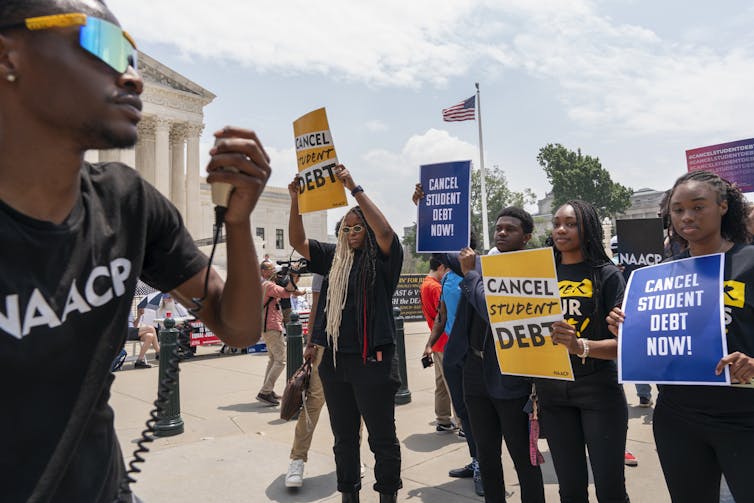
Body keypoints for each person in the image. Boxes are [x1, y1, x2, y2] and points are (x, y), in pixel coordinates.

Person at [0, 1, 271, 501]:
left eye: (131, 56)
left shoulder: (127, 204)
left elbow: (237, 327)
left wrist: (237, 223)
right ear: (9, 56)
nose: (133, 77)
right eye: (100, 45)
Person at [608, 170, 754, 503]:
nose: (687, 216)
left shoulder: (750, 262)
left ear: (723, 206)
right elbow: (653, 342)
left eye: (698, 206)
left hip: (745, 416)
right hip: (678, 418)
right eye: (678, 209)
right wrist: (627, 329)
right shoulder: (658, 275)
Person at [288, 165, 403, 503]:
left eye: (358, 227)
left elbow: (386, 232)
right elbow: (297, 241)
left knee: (382, 438)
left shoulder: (383, 261)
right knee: (344, 438)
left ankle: (387, 496)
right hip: (336, 364)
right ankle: (349, 494)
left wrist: (354, 187)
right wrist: (295, 200)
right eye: (346, 228)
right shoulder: (333, 258)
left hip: (373, 363)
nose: (352, 232)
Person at [537, 200, 630, 503]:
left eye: (571, 223)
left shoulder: (607, 275)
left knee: (609, 487)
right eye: (557, 223)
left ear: (587, 229)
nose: (561, 229)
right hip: (552, 393)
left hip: (597, 392)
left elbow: (622, 345)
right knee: (570, 488)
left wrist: (579, 346)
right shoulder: (537, 276)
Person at [456, 207, 546, 503]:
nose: (502, 233)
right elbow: (446, 248)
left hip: (511, 375)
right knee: (487, 455)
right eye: (499, 228)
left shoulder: (530, 271)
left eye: (510, 229)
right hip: (475, 370)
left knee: (523, 456)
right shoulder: (480, 265)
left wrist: (471, 276)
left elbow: (493, 312)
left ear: (527, 237)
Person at [412, 183, 481, 495]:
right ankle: (476, 460)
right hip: (452, 353)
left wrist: (426, 214)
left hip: (477, 354)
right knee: (464, 412)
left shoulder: (479, 268)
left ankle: (485, 467)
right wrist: (429, 344)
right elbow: (440, 315)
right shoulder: (450, 275)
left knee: (478, 413)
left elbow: (442, 249)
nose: (453, 253)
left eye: (459, 246)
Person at [286, 273, 324, 487]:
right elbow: (316, 307)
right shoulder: (325, 264)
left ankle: (352, 457)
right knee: (313, 402)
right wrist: (310, 343)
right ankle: (297, 459)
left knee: (354, 406)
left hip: (354, 346)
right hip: (325, 345)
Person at [258, 260, 303, 406]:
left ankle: (267, 390)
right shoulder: (269, 286)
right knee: (281, 360)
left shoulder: (263, 285)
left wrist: (292, 276)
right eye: (271, 269)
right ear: (264, 271)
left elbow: (287, 290)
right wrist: (293, 275)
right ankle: (265, 392)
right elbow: (287, 293)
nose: (274, 272)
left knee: (272, 359)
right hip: (271, 326)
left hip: (266, 326)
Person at [420, 256, 456, 432]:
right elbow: (444, 314)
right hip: (445, 341)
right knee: (453, 384)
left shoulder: (426, 284)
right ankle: (462, 423)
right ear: (441, 267)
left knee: (441, 384)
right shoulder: (436, 287)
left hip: (437, 343)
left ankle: (443, 419)